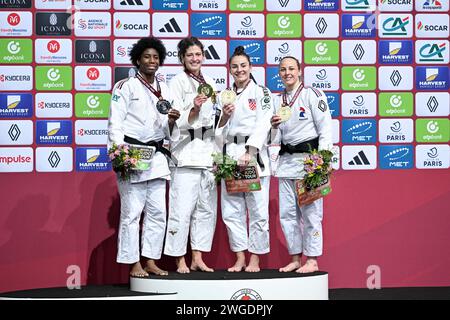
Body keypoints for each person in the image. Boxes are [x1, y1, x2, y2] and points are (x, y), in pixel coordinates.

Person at [107, 37, 180, 277]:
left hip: (157, 155)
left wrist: (171, 120)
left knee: (158, 212)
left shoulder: (165, 89)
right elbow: (115, 123)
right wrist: (119, 154)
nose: (152, 61)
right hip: (133, 154)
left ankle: (150, 260)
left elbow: (166, 130)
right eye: (147, 56)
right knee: (132, 213)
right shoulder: (125, 86)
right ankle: (133, 263)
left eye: (156, 57)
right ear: (138, 59)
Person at [270, 56, 333, 273]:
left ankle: (312, 259)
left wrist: (322, 161)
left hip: (309, 163)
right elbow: (273, 137)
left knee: (311, 214)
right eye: (283, 70)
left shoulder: (312, 95)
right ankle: (296, 258)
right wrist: (273, 127)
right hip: (287, 162)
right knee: (287, 214)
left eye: (291, 69)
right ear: (279, 74)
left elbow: (325, 129)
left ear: (299, 71)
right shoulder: (277, 100)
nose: (287, 73)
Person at [215, 46, 273, 272]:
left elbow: (264, 121)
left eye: (243, 66)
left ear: (250, 67)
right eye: (235, 67)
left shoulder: (262, 92)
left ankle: (255, 259)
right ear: (229, 70)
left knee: (258, 211)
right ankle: (240, 256)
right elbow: (216, 131)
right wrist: (224, 117)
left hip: (253, 155)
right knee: (231, 211)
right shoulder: (224, 95)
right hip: (230, 154)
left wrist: (251, 152)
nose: (240, 70)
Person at [163, 37, 218, 273]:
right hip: (185, 153)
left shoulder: (210, 82)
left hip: (207, 153)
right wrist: (193, 108)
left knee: (205, 210)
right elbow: (174, 118)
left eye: (198, 54)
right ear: (182, 58)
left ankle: (197, 256)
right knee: (181, 210)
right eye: (189, 55)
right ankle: (179, 258)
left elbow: (214, 121)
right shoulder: (176, 82)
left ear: (203, 56)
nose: (195, 58)